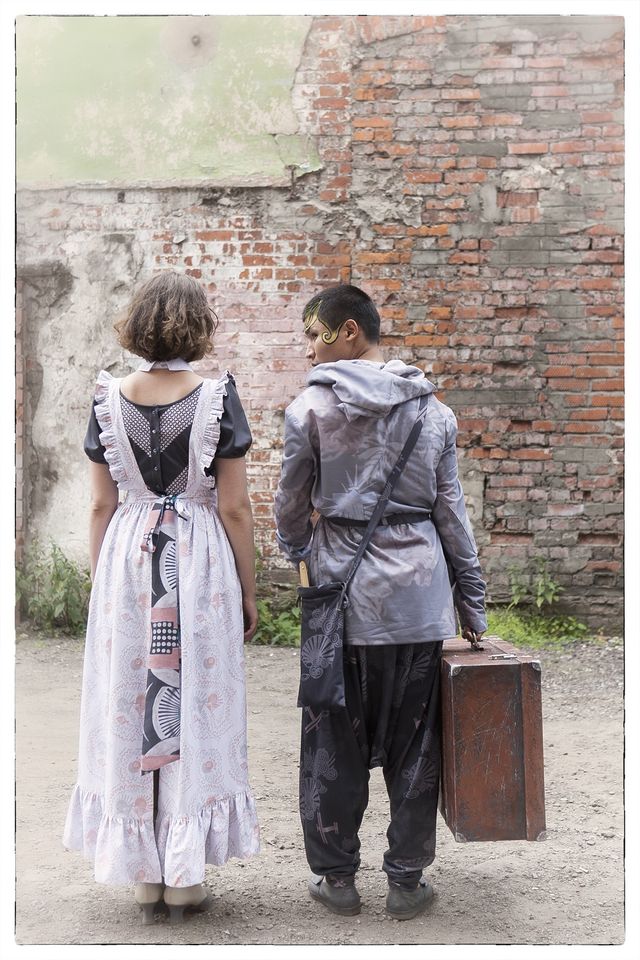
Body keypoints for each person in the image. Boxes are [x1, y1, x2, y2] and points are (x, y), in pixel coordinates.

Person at [274, 283, 487, 921]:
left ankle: (337, 879)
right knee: (415, 743)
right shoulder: (433, 413)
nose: (308, 347)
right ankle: (406, 881)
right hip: (419, 602)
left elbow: (290, 503)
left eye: (313, 333)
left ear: (348, 330)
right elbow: (451, 514)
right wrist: (471, 601)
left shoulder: (309, 410)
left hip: (342, 599)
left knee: (332, 742)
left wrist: (299, 551)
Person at [63, 270, 260, 924]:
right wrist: (248, 591)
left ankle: (144, 877)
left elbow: (100, 504)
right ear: (198, 326)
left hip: (129, 560)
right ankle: (183, 878)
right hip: (197, 562)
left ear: (137, 324)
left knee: (129, 701)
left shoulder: (107, 399)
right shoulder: (217, 398)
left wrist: (104, 587)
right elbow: (234, 507)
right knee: (195, 704)